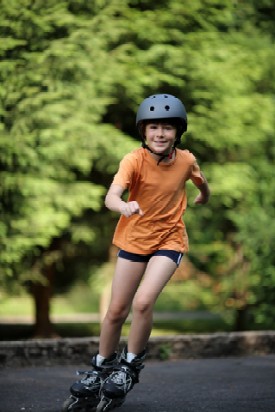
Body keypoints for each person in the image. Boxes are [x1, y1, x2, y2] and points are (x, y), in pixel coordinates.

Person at [65, 93, 210, 412]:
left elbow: (199, 180)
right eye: (154, 127)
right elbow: (111, 197)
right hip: (133, 240)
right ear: (143, 131)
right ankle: (102, 366)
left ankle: (130, 366)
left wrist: (203, 196)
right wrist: (124, 206)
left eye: (168, 128)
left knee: (143, 302)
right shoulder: (133, 160)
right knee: (117, 310)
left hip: (170, 239)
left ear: (178, 132)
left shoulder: (186, 160)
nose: (160, 134)